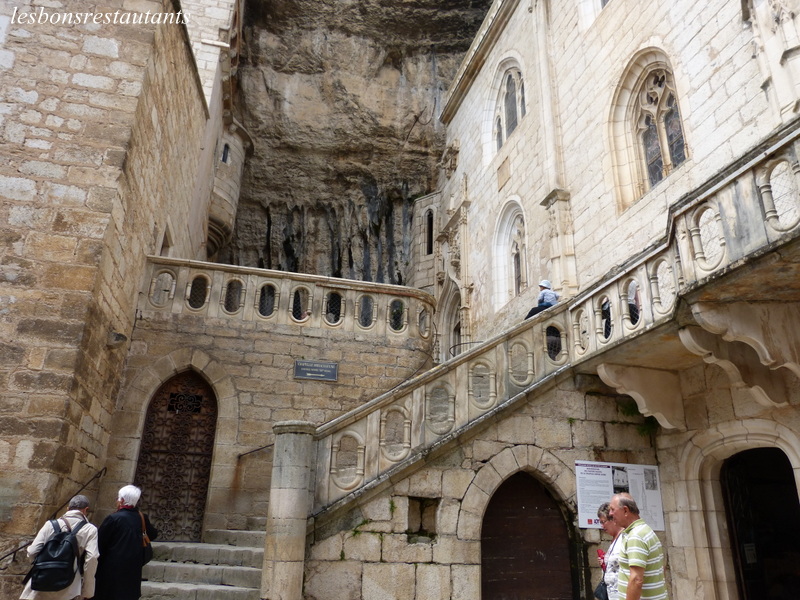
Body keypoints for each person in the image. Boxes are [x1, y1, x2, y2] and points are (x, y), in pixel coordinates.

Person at [21, 494, 99, 600]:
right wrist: (87, 591)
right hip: (69, 587)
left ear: (68, 509)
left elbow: (32, 551)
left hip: (41, 582)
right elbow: (92, 559)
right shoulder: (90, 529)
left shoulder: (50, 524)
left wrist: (42, 566)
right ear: (86, 510)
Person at [93, 485, 158, 600]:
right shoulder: (142, 517)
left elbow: (100, 543)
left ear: (122, 500)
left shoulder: (113, 519)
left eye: (118, 498)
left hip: (110, 569)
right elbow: (153, 534)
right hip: (133, 568)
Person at [608, 494, 668, 600]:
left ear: (625, 511)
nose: (610, 514)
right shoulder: (644, 530)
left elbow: (636, 580)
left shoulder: (636, 536)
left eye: (613, 509)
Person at [597, 502, 625, 600]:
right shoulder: (614, 539)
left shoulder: (625, 538)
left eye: (603, 522)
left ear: (612, 519)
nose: (602, 526)